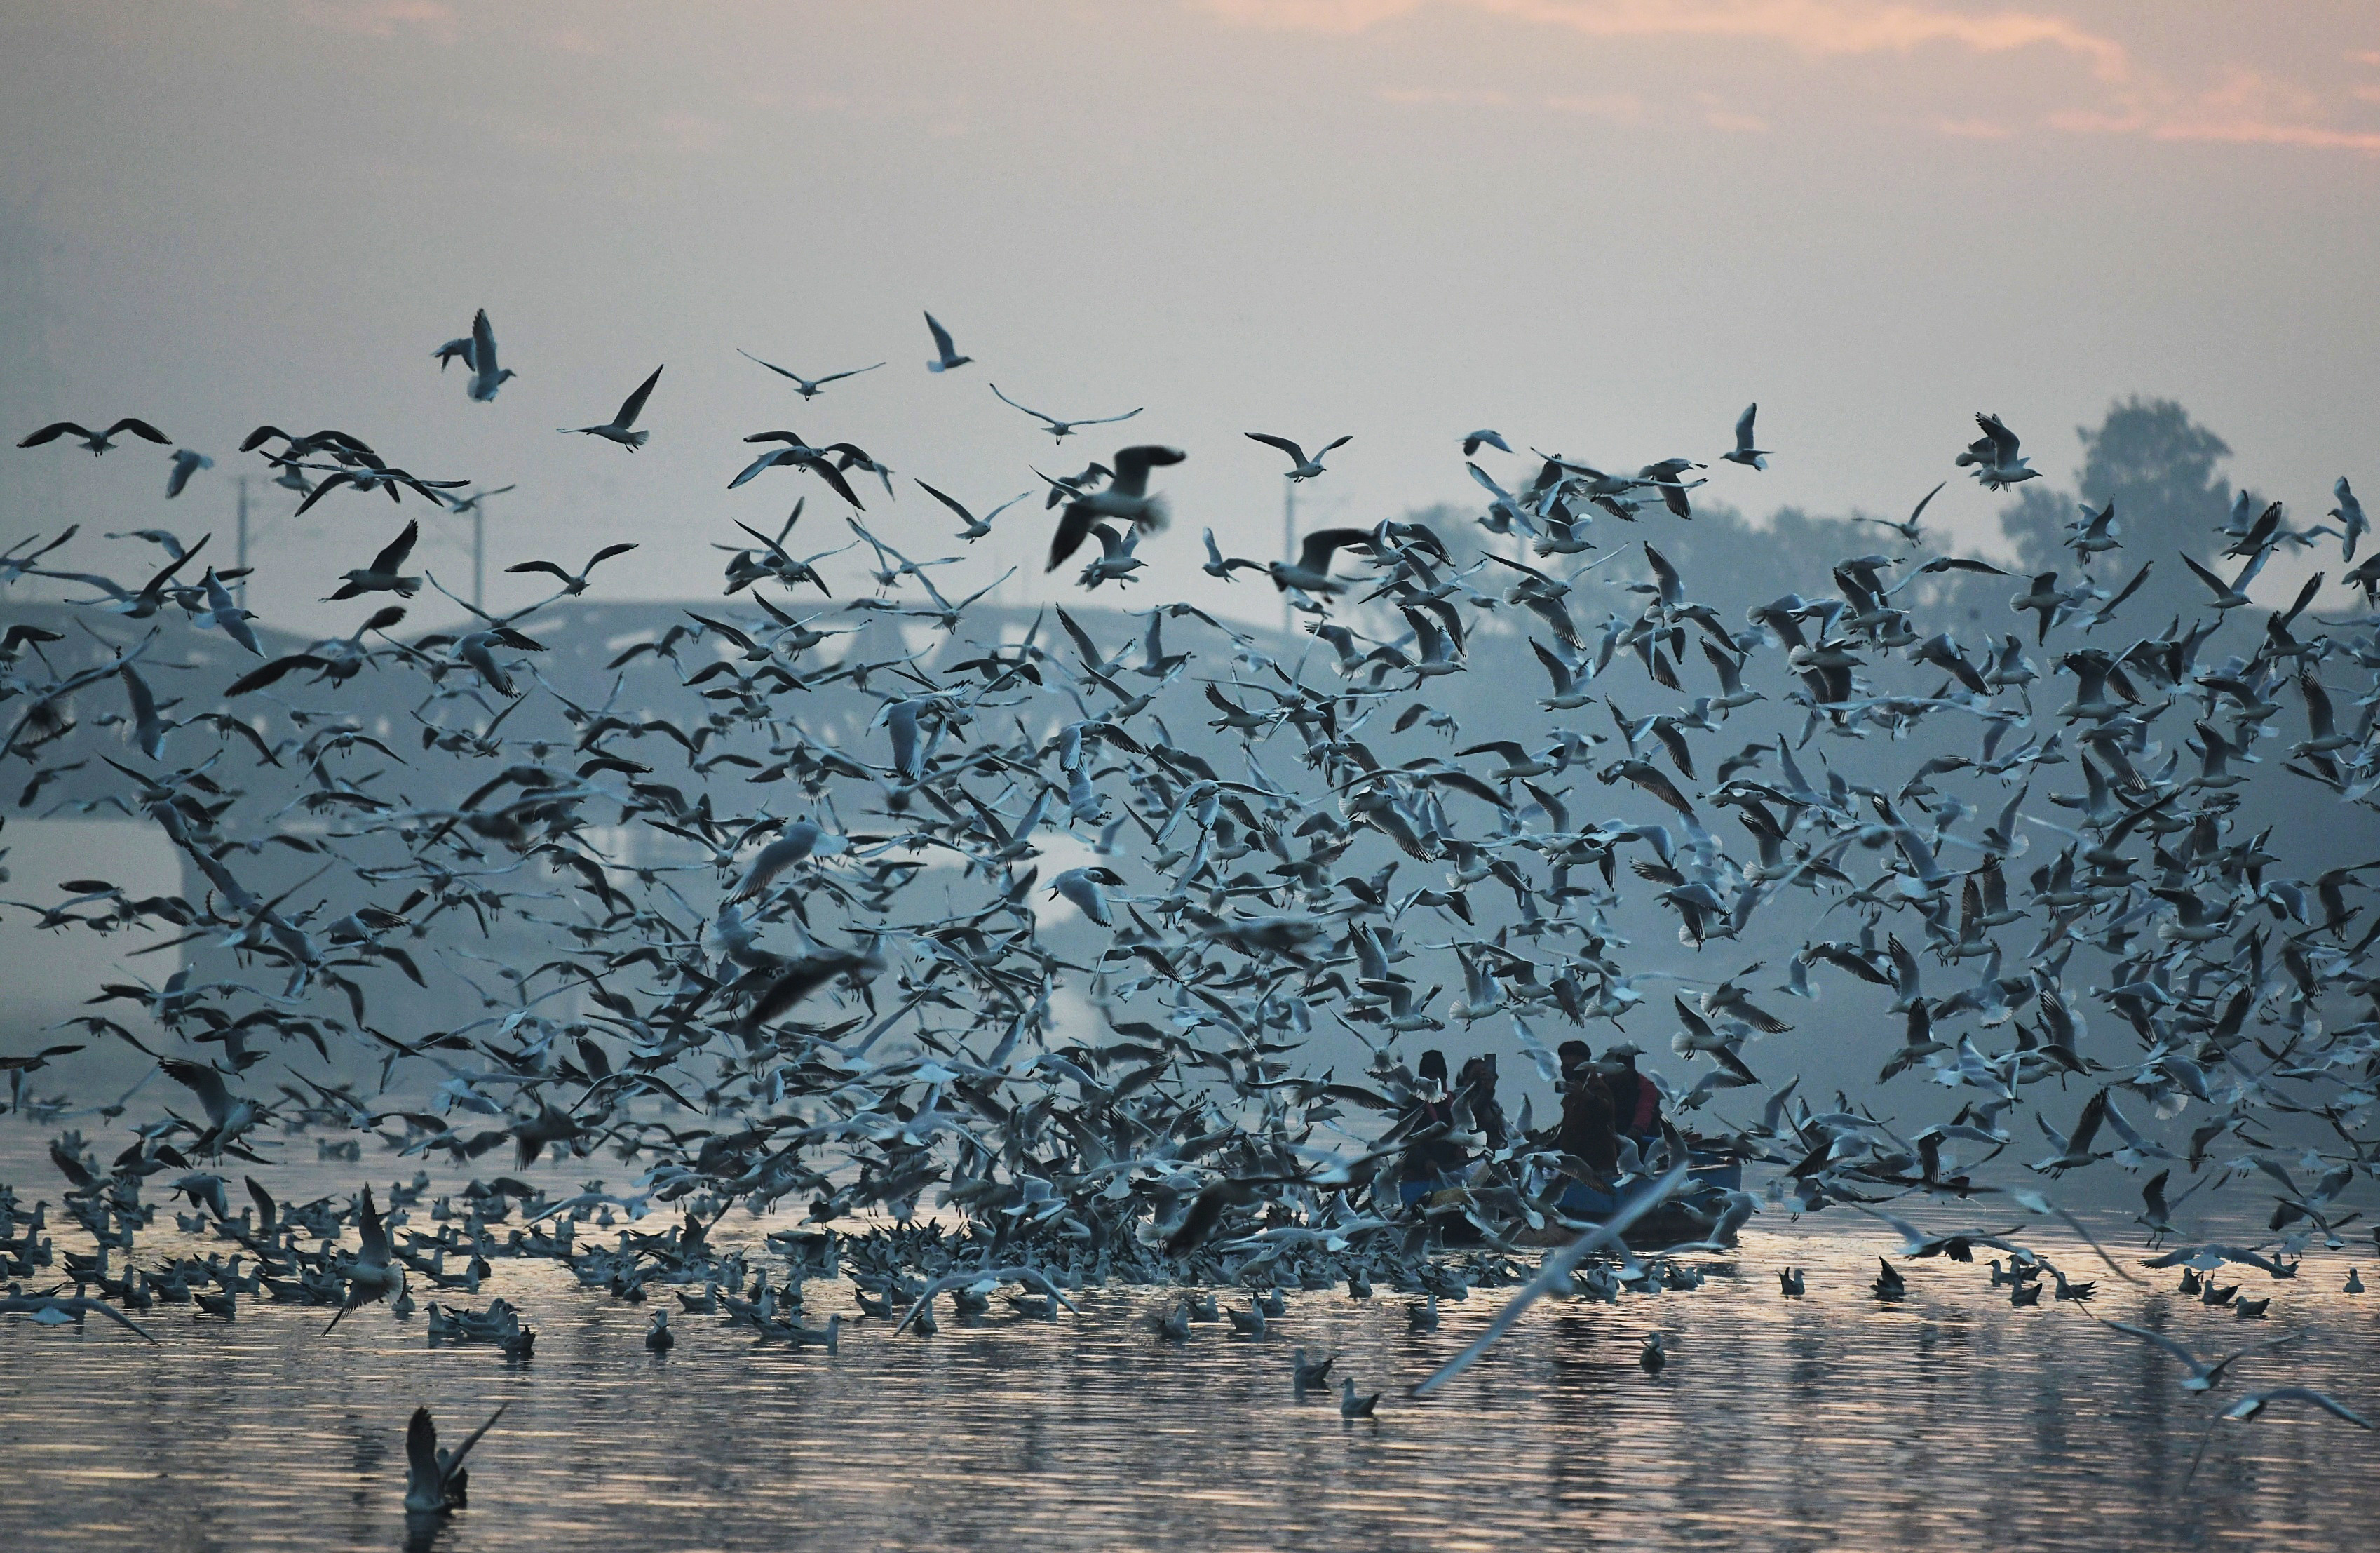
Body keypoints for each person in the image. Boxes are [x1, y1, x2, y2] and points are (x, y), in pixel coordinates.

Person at [1554, 1042, 1618, 1176]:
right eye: (1566, 1066)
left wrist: (1587, 1097)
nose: (1571, 1071)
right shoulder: (1572, 1093)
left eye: (1576, 1066)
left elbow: (1605, 1111)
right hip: (1578, 1167)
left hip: (1599, 1168)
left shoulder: (1596, 1088)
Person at [1600, 1043, 1661, 1140]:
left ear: (1630, 1067)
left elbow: (1645, 1110)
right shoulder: (1598, 1084)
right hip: (1608, 1140)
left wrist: (1637, 1129)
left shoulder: (1646, 1087)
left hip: (1645, 1143)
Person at [1456, 1053, 1507, 1152]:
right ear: (1466, 1080)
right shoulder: (1459, 1096)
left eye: (1483, 1076)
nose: (1480, 1081)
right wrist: (1486, 1091)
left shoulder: (1493, 1105)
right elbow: (1469, 1114)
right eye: (1476, 1077)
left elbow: (1504, 1129)